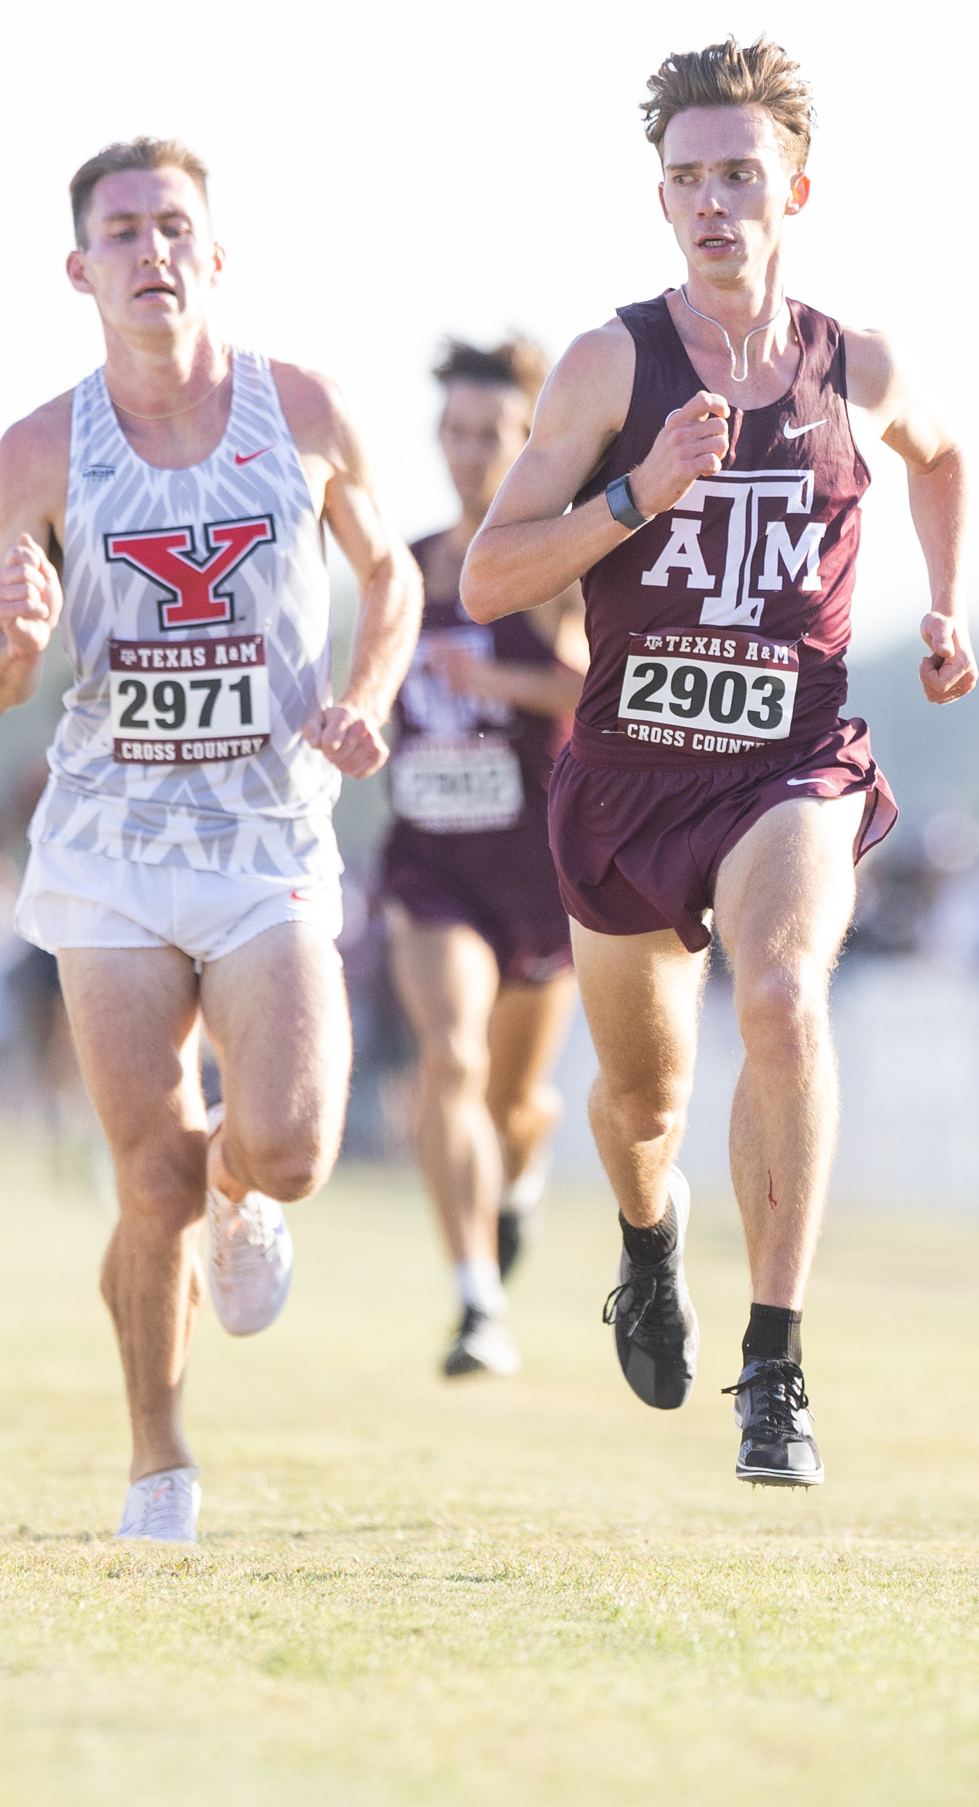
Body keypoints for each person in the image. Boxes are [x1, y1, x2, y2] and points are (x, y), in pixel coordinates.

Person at [460, 38, 976, 1485]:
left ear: (793, 189)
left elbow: (939, 456)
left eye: (738, 175)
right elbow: (495, 577)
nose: (712, 203)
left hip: (788, 763)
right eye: (685, 179)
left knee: (782, 991)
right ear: (662, 200)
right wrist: (637, 492)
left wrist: (942, 600)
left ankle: (776, 1367)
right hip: (626, 775)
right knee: (641, 1110)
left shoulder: (849, 363)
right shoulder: (608, 362)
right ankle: (647, 1243)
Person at [0, 137, 421, 1542]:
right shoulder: (39, 449)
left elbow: (391, 572)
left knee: (286, 1146)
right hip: (107, 844)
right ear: (80, 268)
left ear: (213, 256)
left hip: (267, 832)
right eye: (122, 230)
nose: (150, 251)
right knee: (143, 1173)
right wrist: (13, 638)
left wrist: (361, 698)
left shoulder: (309, 411)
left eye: (173, 226)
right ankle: (159, 1462)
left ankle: (243, 1194)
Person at [382, 337, 585, 1377]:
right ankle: (475, 1303)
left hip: (538, 875)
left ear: (527, 442)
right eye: (455, 433)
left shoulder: (553, 569)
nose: (469, 453)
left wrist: (496, 683)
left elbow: (594, 693)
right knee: (448, 1059)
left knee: (514, 1101)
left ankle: (520, 1179)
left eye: (491, 435)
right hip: (430, 866)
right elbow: (365, 682)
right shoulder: (406, 567)